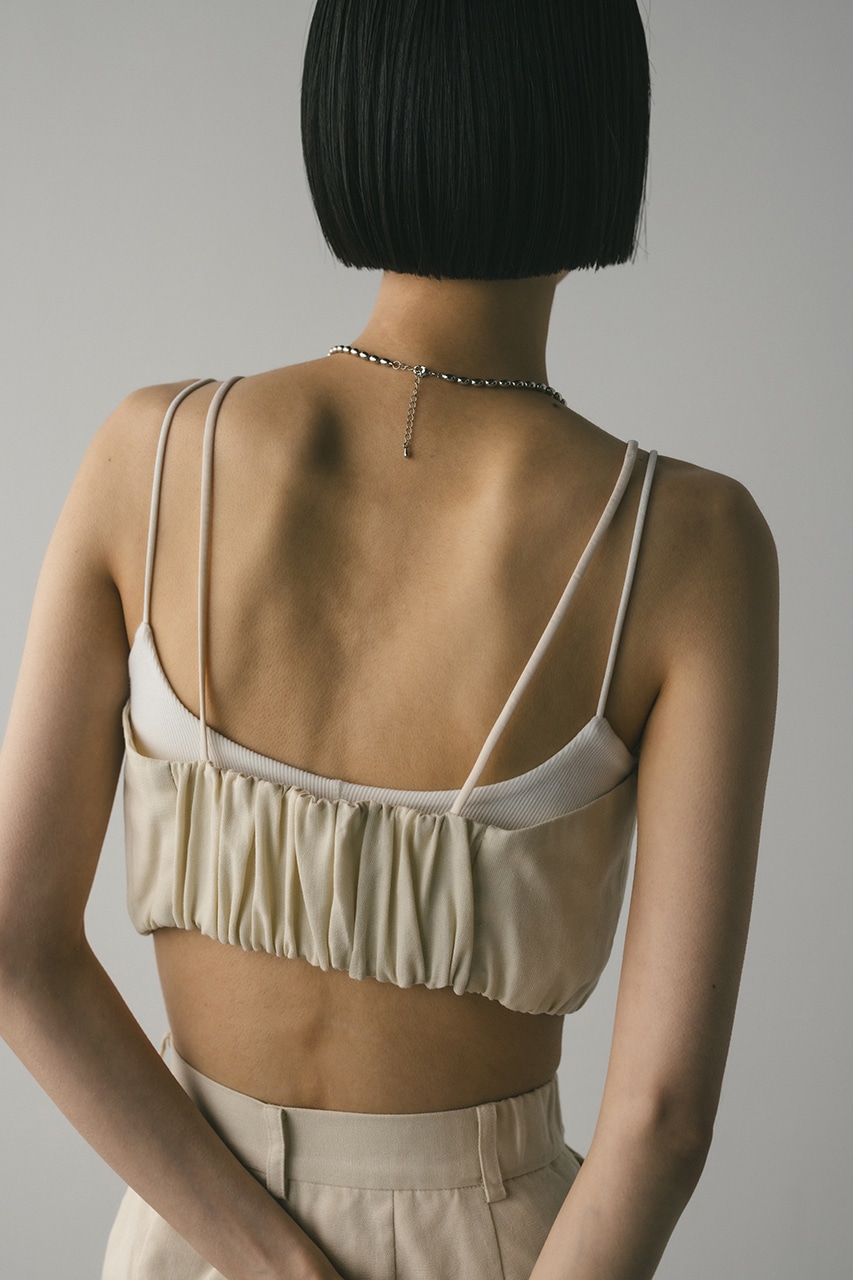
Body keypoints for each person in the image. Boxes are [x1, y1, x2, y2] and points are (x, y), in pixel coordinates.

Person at [0, 2, 778, 1278]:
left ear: (351, 106)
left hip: (192, 1234)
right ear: (600, 126)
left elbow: (14, 947)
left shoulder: (149, 456)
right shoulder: (689, 543)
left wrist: (266, 1257)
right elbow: (661, 1119)